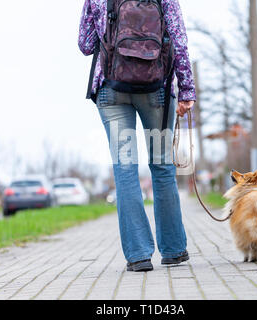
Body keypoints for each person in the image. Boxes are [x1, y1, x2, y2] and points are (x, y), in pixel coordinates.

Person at [78, 0, 196, 272]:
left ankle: (139, 255)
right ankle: (174, 250)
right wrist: (187, 89)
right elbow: (178, 40)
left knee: (125, 169)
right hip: (156, 91)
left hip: (112, 90)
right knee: (163, 166)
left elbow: (85, 45)